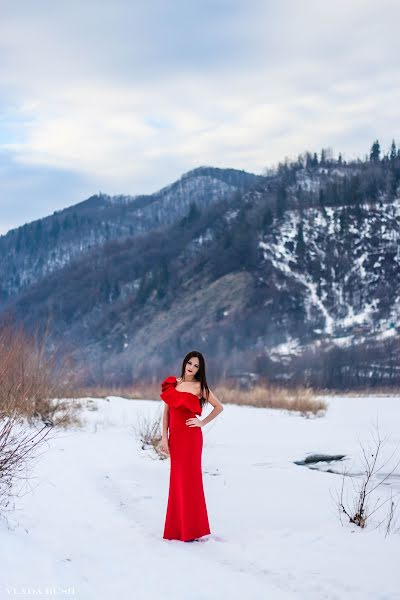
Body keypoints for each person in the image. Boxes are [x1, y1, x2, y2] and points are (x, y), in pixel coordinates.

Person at [160, 350, 224, 542]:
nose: (192, 367)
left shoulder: (199, 386)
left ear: (199, 369)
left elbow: (219, 406)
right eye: (190, 363)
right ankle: (177, 529)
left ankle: (192, 530)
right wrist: (165, 437)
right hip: (176, 439)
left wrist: (202, 422)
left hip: (191, 438)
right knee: (176, 481)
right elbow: (166, 414)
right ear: (185, 363)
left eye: (196, 366)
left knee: (190, 481)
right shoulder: (172, 383)